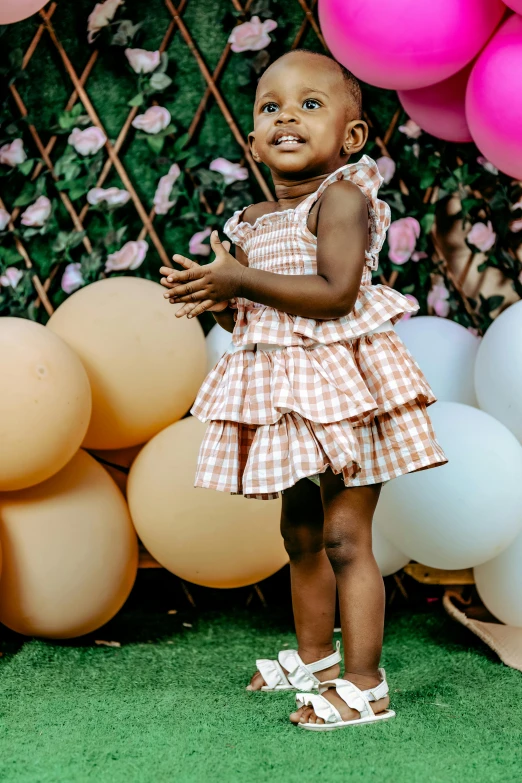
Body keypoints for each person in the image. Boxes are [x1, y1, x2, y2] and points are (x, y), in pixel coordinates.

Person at [160, 49, 448, 731]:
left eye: (310, 104)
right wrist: (214, 297)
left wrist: (239, 282)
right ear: (256, 139)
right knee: (300, 530)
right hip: (289, 399)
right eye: (270, 107)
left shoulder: (343, 197)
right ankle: (317, 659)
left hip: (348, 393)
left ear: (349, 138)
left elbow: (333, 292)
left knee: (347, 536)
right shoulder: (251, 223)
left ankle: (365, 684)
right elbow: (255, 316)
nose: (287, 114)